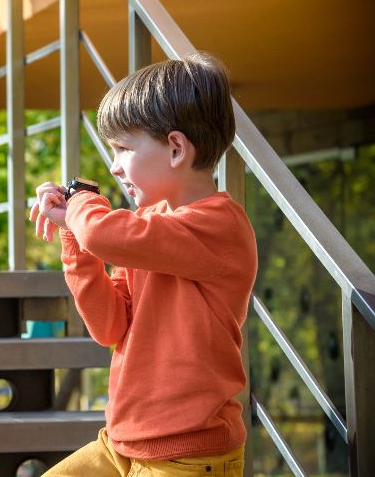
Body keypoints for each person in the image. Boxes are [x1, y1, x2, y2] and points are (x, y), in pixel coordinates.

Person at [29, 51, 257, 476]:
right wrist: (73, 238)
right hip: (122, 445)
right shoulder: (148, 226)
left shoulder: (220, 226)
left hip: (188, 457)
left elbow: (104, 233)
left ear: (175, 148)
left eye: (122, 149)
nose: (114, 167)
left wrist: (82, 203)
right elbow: (109, 326)